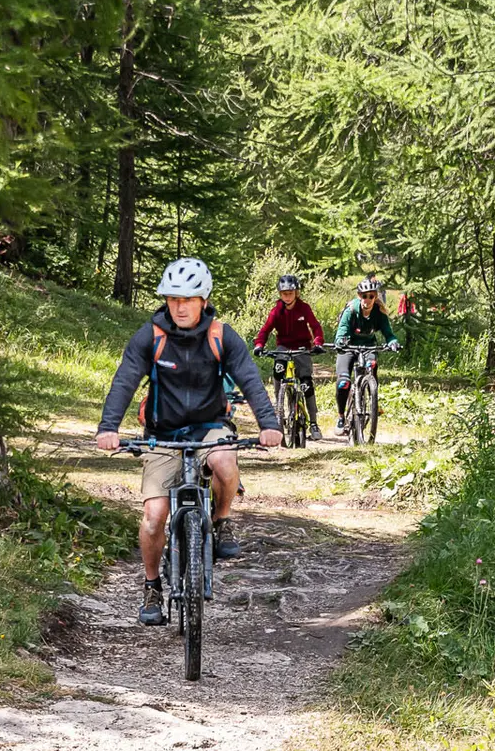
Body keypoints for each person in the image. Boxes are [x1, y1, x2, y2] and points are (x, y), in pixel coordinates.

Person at [97, 257, 282, 626]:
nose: (179, 306)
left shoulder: (221, 335)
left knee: (226, 463)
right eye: (172, 299)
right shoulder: (150, 335)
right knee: (154, 518)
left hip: (210, 426)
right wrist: (108, 427)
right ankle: (152, 587)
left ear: (204, 299)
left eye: (188, 299)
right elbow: (125, 380)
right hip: (163, 435)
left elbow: (249, 378)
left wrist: (269, 424)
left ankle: (222, 520)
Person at [252, 274, 326, 439]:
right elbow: (265, 330)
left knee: (306, 384)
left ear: (296, 293)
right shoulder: (276, 311)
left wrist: (318, 342)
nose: (288, 296)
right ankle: (279, 408)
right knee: (278, 370)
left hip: (302, 348)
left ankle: (313, 424)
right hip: (283, 347)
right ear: (280, 294)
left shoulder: (304, 308)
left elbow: (315, 326)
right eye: (284, 293)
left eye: (291, 293)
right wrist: (259, 345)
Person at [333, 278, 399, 421]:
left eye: (371, 296)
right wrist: (341, 341)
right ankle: (341, 416)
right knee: (343, 383)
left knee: (372, 365)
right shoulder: (351, 310)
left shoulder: (379, 312)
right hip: (348, 347)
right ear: (359, 296)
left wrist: (393, 342)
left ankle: (373, 400)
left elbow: (388, 333)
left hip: (368, 347)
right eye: (364, 296)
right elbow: (341, 331)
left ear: (375, 297)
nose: (367, 299)